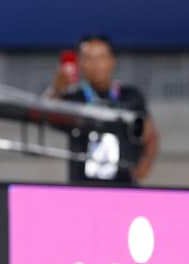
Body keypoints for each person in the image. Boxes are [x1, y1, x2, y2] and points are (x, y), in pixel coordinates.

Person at [47, 35, 159, 185]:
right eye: (89, 58)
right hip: (82, 186)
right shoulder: (73, 98)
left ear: (112, 61)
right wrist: (56, 90)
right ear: (81, 63)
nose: (96, 64)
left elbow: (149, 136)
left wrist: (144, 166)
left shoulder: (129, 96)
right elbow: (46, 116)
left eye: (101, 57)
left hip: (123, 184)